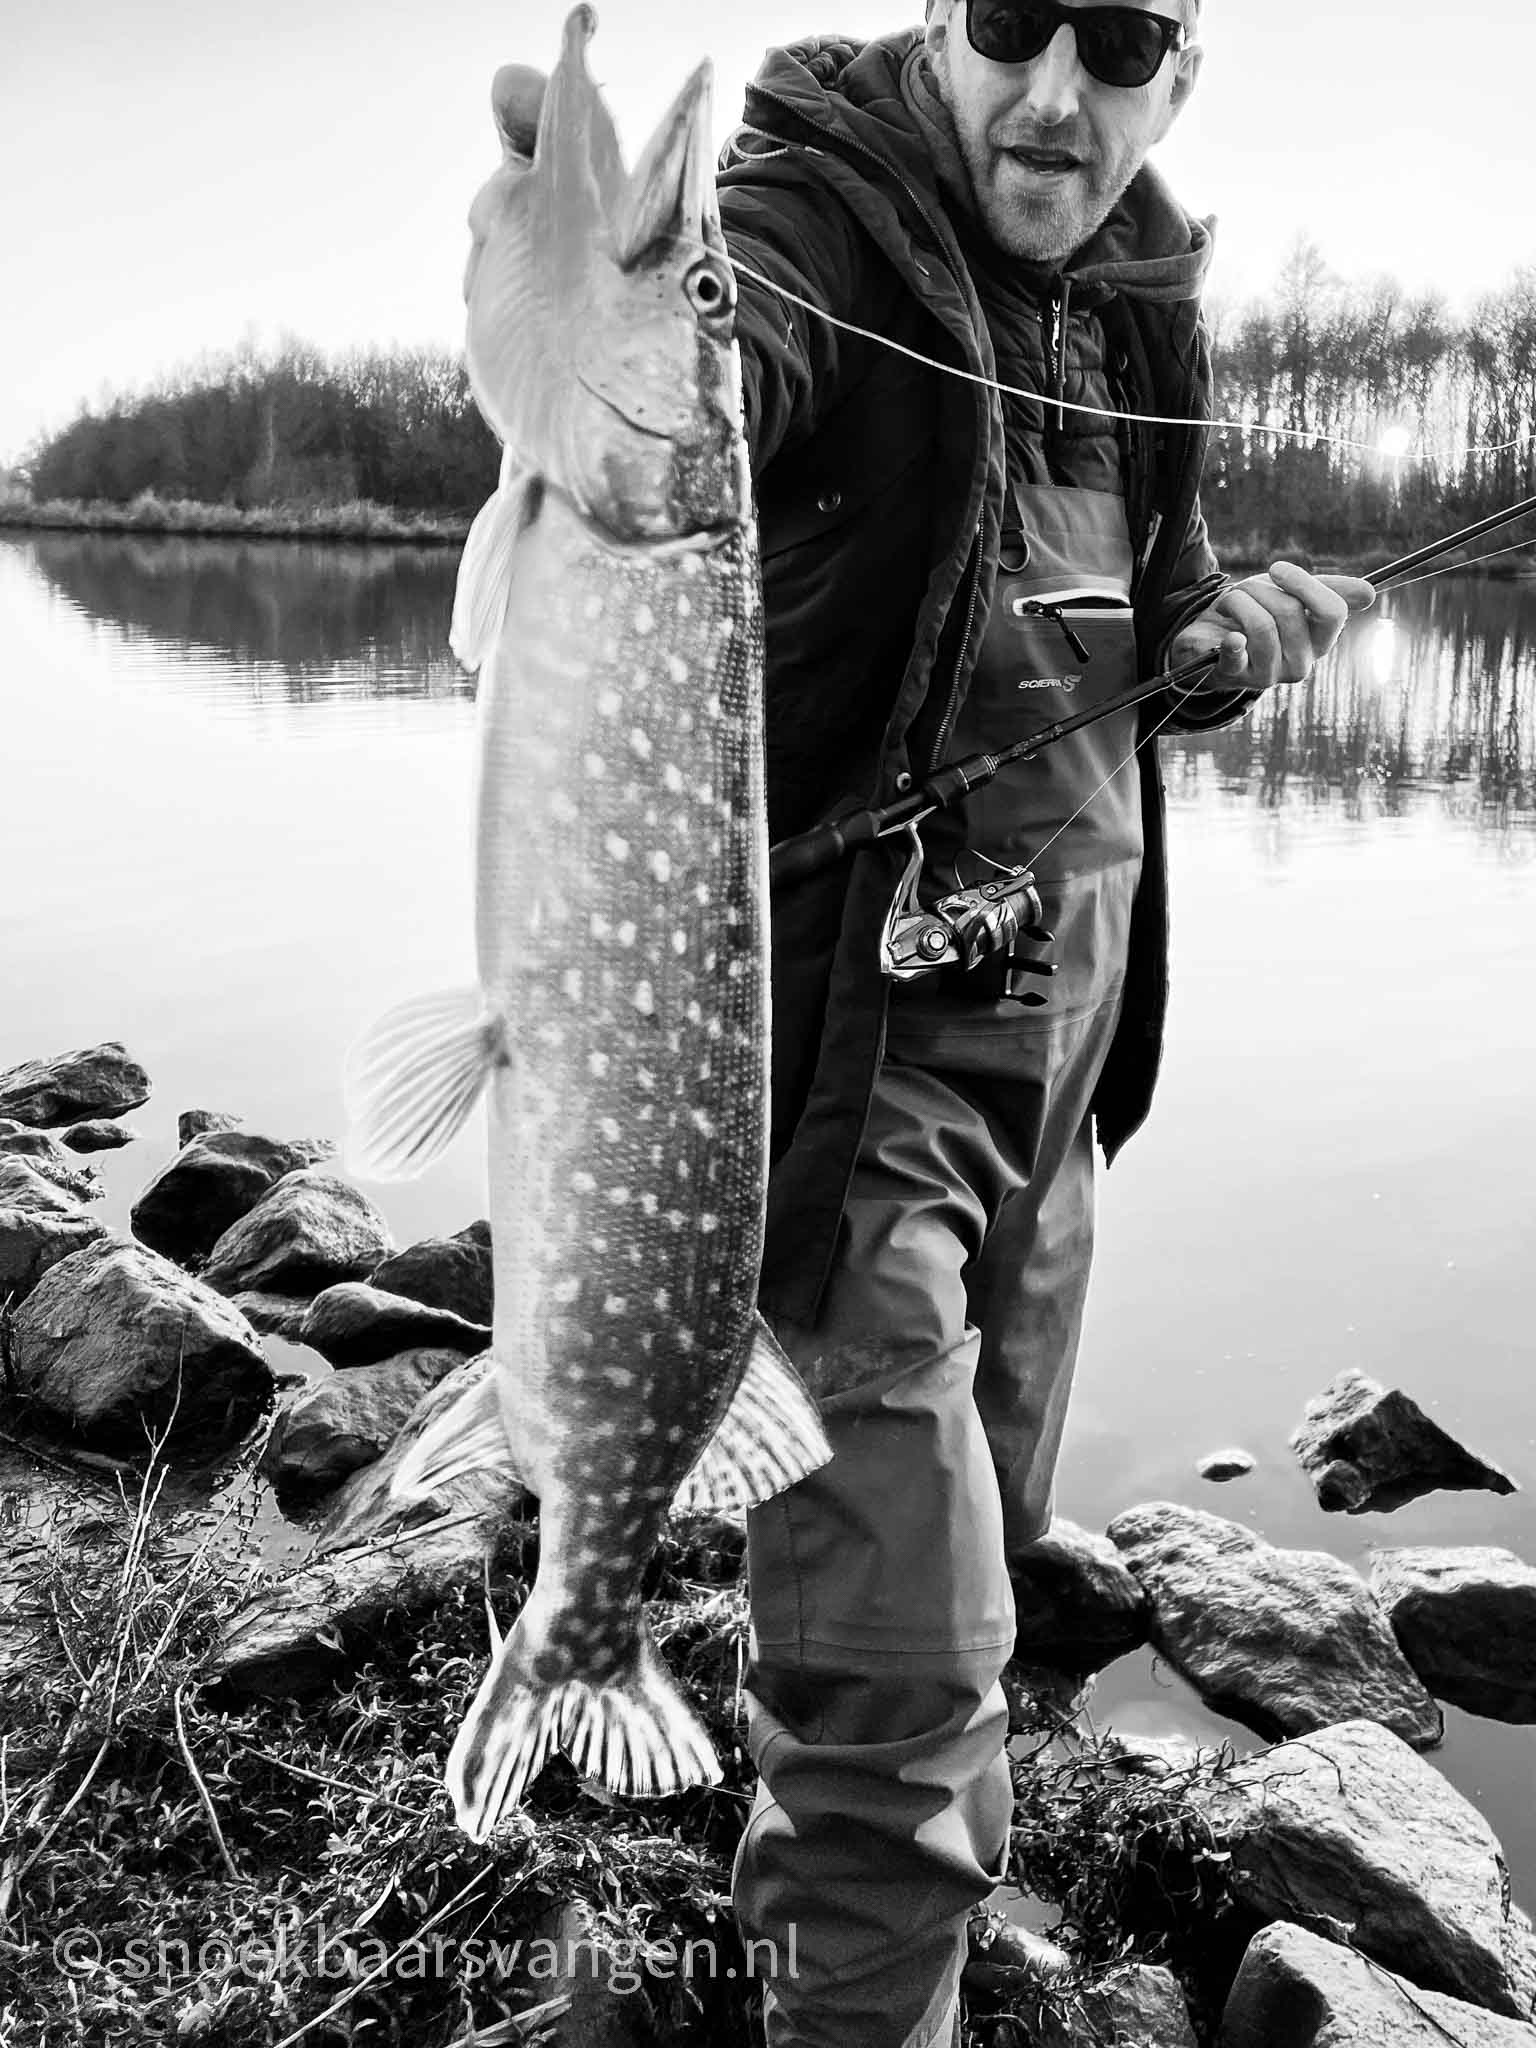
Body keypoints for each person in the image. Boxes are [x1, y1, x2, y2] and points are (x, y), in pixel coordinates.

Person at [487, 6, 1371, 2043]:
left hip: (1058, 1083)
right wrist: (622, 330)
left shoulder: (1149, 314)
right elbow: (705, 396)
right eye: (1011, 21)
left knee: (980, 1569)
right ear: (946, 27)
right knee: (899, 1663)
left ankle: (895, 1946)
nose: (1057, 91)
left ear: (1180, 77)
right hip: (850, 1080)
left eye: (1124, 39)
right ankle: (865, 1979)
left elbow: (1155, 604)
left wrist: (1222, 646)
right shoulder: (811, 208)